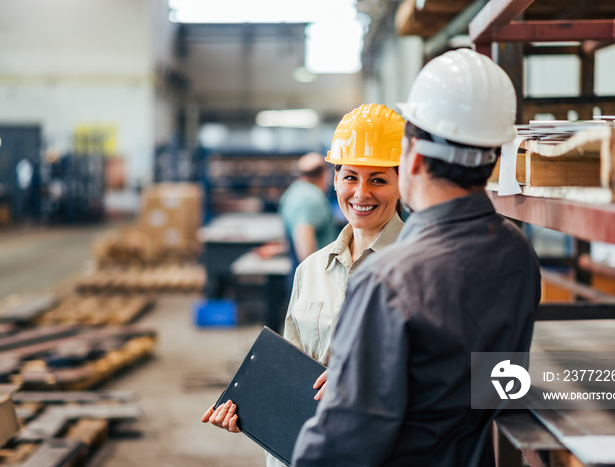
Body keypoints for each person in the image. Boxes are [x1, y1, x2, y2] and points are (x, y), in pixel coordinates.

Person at [291, 49, 542, 467]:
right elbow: (500, 386)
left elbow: (343, 445)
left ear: (415, 157)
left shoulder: (387, 279)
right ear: (493, 158)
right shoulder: (517, 252)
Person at [201, 103, 407, 467]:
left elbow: (452, 379)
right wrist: (253, 410)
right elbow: (291, 371)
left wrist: (368, 381)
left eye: (378, 179)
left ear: (401, 181)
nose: (361, 193)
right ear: (334, 179)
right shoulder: (310, 270)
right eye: (350, 177)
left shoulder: (420, 267)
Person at [279, 152, 338, 268]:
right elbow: (303, 234)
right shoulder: (310, 198)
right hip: (316, 272)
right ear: (324, 174)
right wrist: (314, 275)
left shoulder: (292, 192)